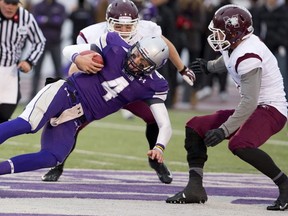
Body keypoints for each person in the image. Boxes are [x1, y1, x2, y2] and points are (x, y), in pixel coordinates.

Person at [41, 0, 195, 184]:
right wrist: (81, 67)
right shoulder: (92, 34)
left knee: (154, 118)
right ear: (108, 22)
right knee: (73, 124)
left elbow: (164, 44)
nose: (123, 29)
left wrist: (182, 68)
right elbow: (75, 67)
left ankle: (155, 159)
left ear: (137, 23)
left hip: (135, 90)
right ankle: (58, 164)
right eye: (118, 25)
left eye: (128, 25)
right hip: (101, 92)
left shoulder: (147, 29)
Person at [0, 33, 173, 181]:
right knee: (29, 124)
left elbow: (164, 124)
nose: (135, 61)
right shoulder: (115, 46)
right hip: (65, 93)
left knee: (53, 157)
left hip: (76, 117)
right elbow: (68, 50)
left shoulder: (154, 85)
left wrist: (159, 146)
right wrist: (78, 58)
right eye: (136, 54)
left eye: (143, 62)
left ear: (153, 68)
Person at [166, 4, 288, 211]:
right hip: (257, 107)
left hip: (271, 110)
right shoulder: (235, 44)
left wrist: (224, 130)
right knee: (195, 126)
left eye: (220, 32)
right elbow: (229, 59)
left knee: (240, 144)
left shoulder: (249, 54)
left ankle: (285, 185)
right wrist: (209, 66)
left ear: (235, 32)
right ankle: (195, 188)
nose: (216, 36)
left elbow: (249, 101)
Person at [0, 0, 45, 123]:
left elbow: (39, 41)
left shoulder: (25, 17)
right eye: (7, 3)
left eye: (14, 4)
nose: (10, 7)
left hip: (10, 72)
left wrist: (29, 61)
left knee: (4, 115)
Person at [29, 0, 67, 99]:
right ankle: (33, 96)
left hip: (55, 43)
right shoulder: (38, 6)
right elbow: (35, 21)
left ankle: (62, 96)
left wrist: (45, 20)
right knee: (37, 71)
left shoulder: (60, 7)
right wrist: (52, 20)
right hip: (40, 43)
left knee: (58, 71)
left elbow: (60, 21)